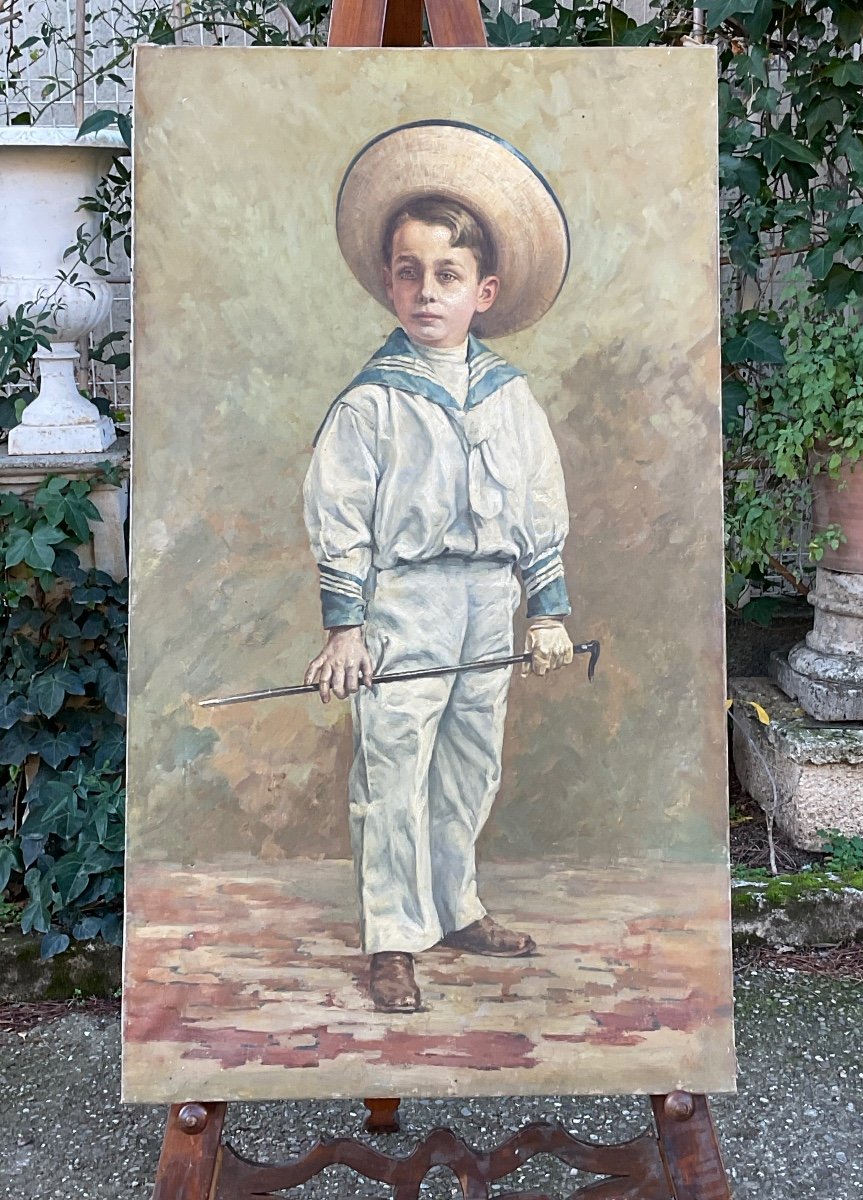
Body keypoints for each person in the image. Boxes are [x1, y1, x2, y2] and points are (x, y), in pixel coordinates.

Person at [303, 121, 574, 1013]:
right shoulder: (371, 404)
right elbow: (337, 514)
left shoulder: (510, 398)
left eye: (447, 276)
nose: (427, 292)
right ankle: (392, 937)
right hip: (405, 606)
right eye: (410, 272)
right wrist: (346, 628)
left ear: (483, 291)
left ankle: (455, 906)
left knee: (469, 762)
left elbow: (538, 504)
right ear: (389, 281)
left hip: (488, 601)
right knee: (394, 768)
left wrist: (546, 610)